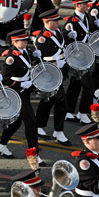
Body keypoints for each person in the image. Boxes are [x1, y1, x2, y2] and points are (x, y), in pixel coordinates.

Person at [0, 29, 42, 164]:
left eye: (25, 40)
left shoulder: (24, 51)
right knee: (31, 124)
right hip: (17, 93)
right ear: (14, 42)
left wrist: (34, 56)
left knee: (16, 122)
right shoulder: (11, 57)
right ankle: (34, 154)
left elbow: (25, 64)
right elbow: (4, 80)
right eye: (22, 41)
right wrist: (21, 83)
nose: (25, 42)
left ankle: (2, 145)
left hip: (25, 92)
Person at [34, 8, 71, 146]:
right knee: (61, 101)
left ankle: (39, 125)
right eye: (54, 21)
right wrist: (55, 62)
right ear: (46, 21)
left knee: (47, 100)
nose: (57, 23)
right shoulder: (42, 38)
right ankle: (58, 131)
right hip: (49, 73)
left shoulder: (57, 32)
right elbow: (39, 60)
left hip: (59, 71)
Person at [62, 0, 94, 124]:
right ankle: (83, 112)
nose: (88, 6)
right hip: (76, 58)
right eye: (86, 4)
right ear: (78, 5)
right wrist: (68, 36)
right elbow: (62, 38)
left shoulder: (85, 17)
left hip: (84, 57)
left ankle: (69, 111)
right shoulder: (71, 22)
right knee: (89, 87)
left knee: (75, 85)